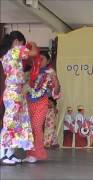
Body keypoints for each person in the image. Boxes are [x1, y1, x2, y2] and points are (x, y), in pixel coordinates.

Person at [0, 31, 39, 165]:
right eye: (22, 43)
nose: (24, 47)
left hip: (14, 91)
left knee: (14, 123)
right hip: (14, 91)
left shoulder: (6, 55)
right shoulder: (15, 50)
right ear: (17, 41)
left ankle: (9, 154)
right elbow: (34, 52)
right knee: (10, 122)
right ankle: (2, 153)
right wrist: (32, 44)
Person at [24, 51, 61, 163]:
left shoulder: (50, 73)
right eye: (38, 59)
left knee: (36, 126)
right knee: (29, 128)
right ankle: (29, 153)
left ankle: (37, 153)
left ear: (48, 61)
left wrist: (55, 77)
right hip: (29, 102)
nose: (40, 61)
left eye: (43, 59)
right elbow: (25, 87)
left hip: (41, 103)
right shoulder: (31, 72)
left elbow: (56, 91)